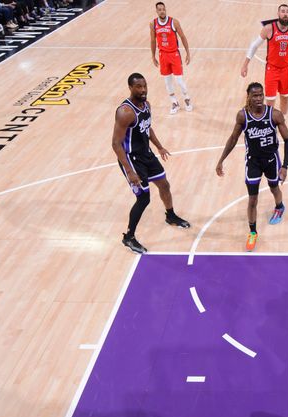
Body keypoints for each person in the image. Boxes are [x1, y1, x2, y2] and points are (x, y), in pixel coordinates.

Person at [111, 73, 190, 254]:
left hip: (146, 154)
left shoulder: (146, 105)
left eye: (144, 86)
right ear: (130, 88)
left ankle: (170, 216)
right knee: (144, 198)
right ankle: (129, 236)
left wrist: (159, 146)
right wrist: (129, 172)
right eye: (138, 87)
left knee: (164, 184)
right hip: (132, 159)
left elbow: (147, 127)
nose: (143, 89)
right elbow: (116, 144)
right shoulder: (125, 112)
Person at [215, 82, 288, 252]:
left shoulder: (275, 115)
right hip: (253, 162)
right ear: (248, 96)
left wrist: (285, 166)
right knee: (252, 199)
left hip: (272, 159)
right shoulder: (243, 116)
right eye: (254, 95)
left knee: (274, 188)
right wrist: (221, 160)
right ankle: (252, 232)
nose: (258, 98)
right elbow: (233, 138)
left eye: (260, 95)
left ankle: (279, 206)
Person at [240, 3, 288, 116]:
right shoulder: (269, 29)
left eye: (287, 11)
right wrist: (245, 64)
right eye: (283, 11)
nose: (285, 14)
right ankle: (271, 125)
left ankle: (282, 121)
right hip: (272, 70)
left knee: (285, 98)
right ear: (278, 13)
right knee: (270, 101)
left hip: (287, 70)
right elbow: (254, 46)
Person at [150, 1, 192, 114]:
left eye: (163, 9)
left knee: (179, 81)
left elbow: (183, 37)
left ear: (165, 9)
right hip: (163, 55)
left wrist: (188, 52)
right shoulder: (153, 24)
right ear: (156, 11)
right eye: (159, 9)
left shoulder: (174, 22)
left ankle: (187, 98)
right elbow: (153, 40)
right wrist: (153, 56)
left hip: (174, 54)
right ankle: (174, 102)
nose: (162, 11)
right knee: (167, 82)